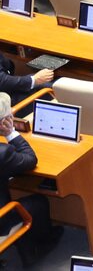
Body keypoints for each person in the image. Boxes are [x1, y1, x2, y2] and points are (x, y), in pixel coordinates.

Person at [0, 93, 62, 263]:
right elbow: (30, 160)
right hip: (0, 220)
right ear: (4, 122)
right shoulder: (3, 153)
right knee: (38, 203)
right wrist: (11, 133)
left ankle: (25, 249)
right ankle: (38, 248)